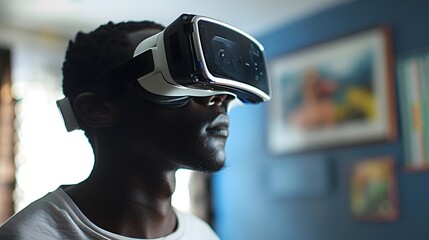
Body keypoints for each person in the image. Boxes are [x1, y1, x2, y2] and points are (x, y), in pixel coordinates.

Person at [0, 20, 233, 239]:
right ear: (96, 108)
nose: (219, 97)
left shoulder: (202, 234)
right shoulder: (27, 235)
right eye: (171, 78)